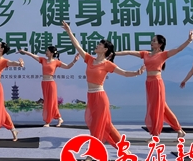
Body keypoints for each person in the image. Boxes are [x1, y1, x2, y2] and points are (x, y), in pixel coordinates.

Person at [61, 21, 144, 149]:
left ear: (105, 49)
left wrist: (137, 72)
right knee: (106, 125)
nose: (97, 45)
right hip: (91, 96)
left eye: (100, 44)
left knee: (97, 125)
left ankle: (92, 153)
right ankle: (123, 148)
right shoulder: (89, 59)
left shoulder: (107, 64)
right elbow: (77, 46)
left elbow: (124, 73)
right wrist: (69, 31)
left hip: (100, 97)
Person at [116, 31, 193, 140]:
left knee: (155, 109)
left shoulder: (163, 55)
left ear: (160, 44)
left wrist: (189, 40)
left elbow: (178, 49)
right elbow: (129, 52)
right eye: (152, 40)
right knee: (163, 108)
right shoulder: (145, 54)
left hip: (157, 83)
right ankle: (179, 130)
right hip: (149, 83)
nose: (151, 42)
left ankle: (155, 135)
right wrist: (114, 53)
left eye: (154, 41)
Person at [18, 46, 79, 127]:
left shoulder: (56, 62)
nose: (46, 52)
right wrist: (24, 52)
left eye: (47, 51)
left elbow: (67, 66)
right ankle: (59, 118)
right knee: (47, 101)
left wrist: (74, 61)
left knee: (51, 102)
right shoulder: (43, 60)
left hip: (51, 83)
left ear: (52, 53)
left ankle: (48, 121)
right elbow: (33, 55)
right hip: (44, 83)